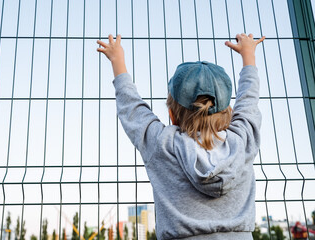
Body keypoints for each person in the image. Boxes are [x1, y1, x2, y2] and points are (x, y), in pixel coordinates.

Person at [97, 33, 265, 240]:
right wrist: (249, 57)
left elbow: (131, 108)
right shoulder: (243, 140)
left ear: (172, 114)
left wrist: (117, 61)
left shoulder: (162, 143)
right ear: (228, 111)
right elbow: (249, 100)